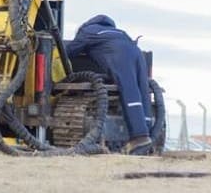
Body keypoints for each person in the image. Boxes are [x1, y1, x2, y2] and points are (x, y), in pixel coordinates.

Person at [65, 14, 153, 155]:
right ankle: (149, 134)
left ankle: (140, 136)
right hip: (137, 54)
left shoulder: (88, 31)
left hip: (119, 55)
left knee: (129, 91)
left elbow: (68, 51)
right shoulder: (120, 32)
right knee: (142, 92)